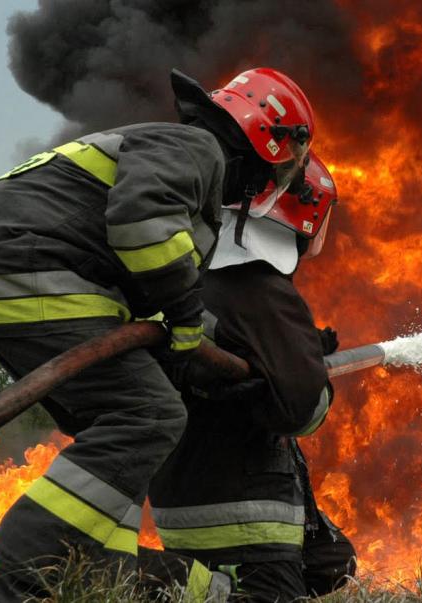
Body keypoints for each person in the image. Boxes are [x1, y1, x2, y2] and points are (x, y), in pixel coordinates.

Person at [0, 66, 315, 602]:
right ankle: (18, 581)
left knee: (117, 437)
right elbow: (142, 226)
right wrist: (186, 317)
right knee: (151, 416)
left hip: (4, 269)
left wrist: (209, 346)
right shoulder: (196, 148)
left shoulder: (177, 158)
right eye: (285, 168)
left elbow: (148, 286)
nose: (274, 185)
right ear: (271, 141)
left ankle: (87, 572)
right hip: (30, 265)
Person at [148, 153, 356, 602]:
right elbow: (302, 410)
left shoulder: (196, 277)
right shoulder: (260, 287)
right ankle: (197, 590)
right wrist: (310, 374)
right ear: (307, 216)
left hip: (181, 496)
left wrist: (295, 353)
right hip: (243, 511)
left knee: (335, 563)